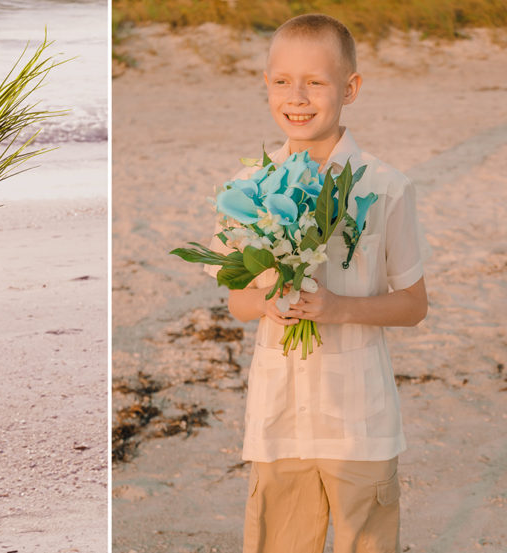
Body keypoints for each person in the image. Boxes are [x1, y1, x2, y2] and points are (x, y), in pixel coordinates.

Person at [204, 13, 429, 553]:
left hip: (360, 420)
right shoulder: (244, 188)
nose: (297, 97)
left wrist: (335, 307)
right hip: (279, 417)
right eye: (282, 81)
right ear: (266, 85)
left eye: (316, 81)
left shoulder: (386, 186)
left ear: (349, 88)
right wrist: (268, 303)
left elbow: (414, 305)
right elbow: (237, 303)